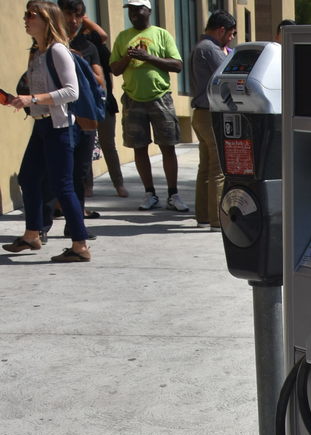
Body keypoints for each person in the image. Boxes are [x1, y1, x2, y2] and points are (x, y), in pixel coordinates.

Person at [4, 0, 92, 261]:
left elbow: (71, 92)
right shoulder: (38, 53)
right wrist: (18, 100)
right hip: (42, 125)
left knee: (62, 186)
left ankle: (80, 246)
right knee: (28, 178)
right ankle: (32, 234)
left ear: (47, 20)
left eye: (31, 15)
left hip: (59, 127)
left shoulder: (58, 51)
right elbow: (39, 94)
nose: (25, 19)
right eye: (25, 14)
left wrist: (32, 99)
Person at [110, 0, 186, 212]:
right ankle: (150, 193)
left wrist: (148, 57)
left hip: (160, 97)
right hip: (133, 99)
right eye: (130, 10)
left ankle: (173, 194)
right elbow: (115, 69)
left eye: (138, 9)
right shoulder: (123, 37)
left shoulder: (161, 34)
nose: (133, 13)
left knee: (168, 146)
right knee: (139, 147)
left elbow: (177, 65)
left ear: (149, 10)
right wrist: (128, 57)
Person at [58, 0, 106, 232]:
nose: (74, 20)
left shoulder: (88, 47)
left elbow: (100, 81)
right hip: (57, 117)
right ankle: (41, 227)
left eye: (78, 15)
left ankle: (75, 226)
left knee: (80, 174)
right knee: (54, 172)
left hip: (84, 117)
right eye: (69, 14)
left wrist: (76, 62)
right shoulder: (48, 44)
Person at [190, 10, 235, 230]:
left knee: (206, 168)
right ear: (221, 30)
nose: (232, 39)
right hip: (210, 114)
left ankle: (204, 217)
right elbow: (230, 74)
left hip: (200, 114)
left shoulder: (200, 47)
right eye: (231, 34)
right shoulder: (210, 49)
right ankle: (217, 220)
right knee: (218, 169)